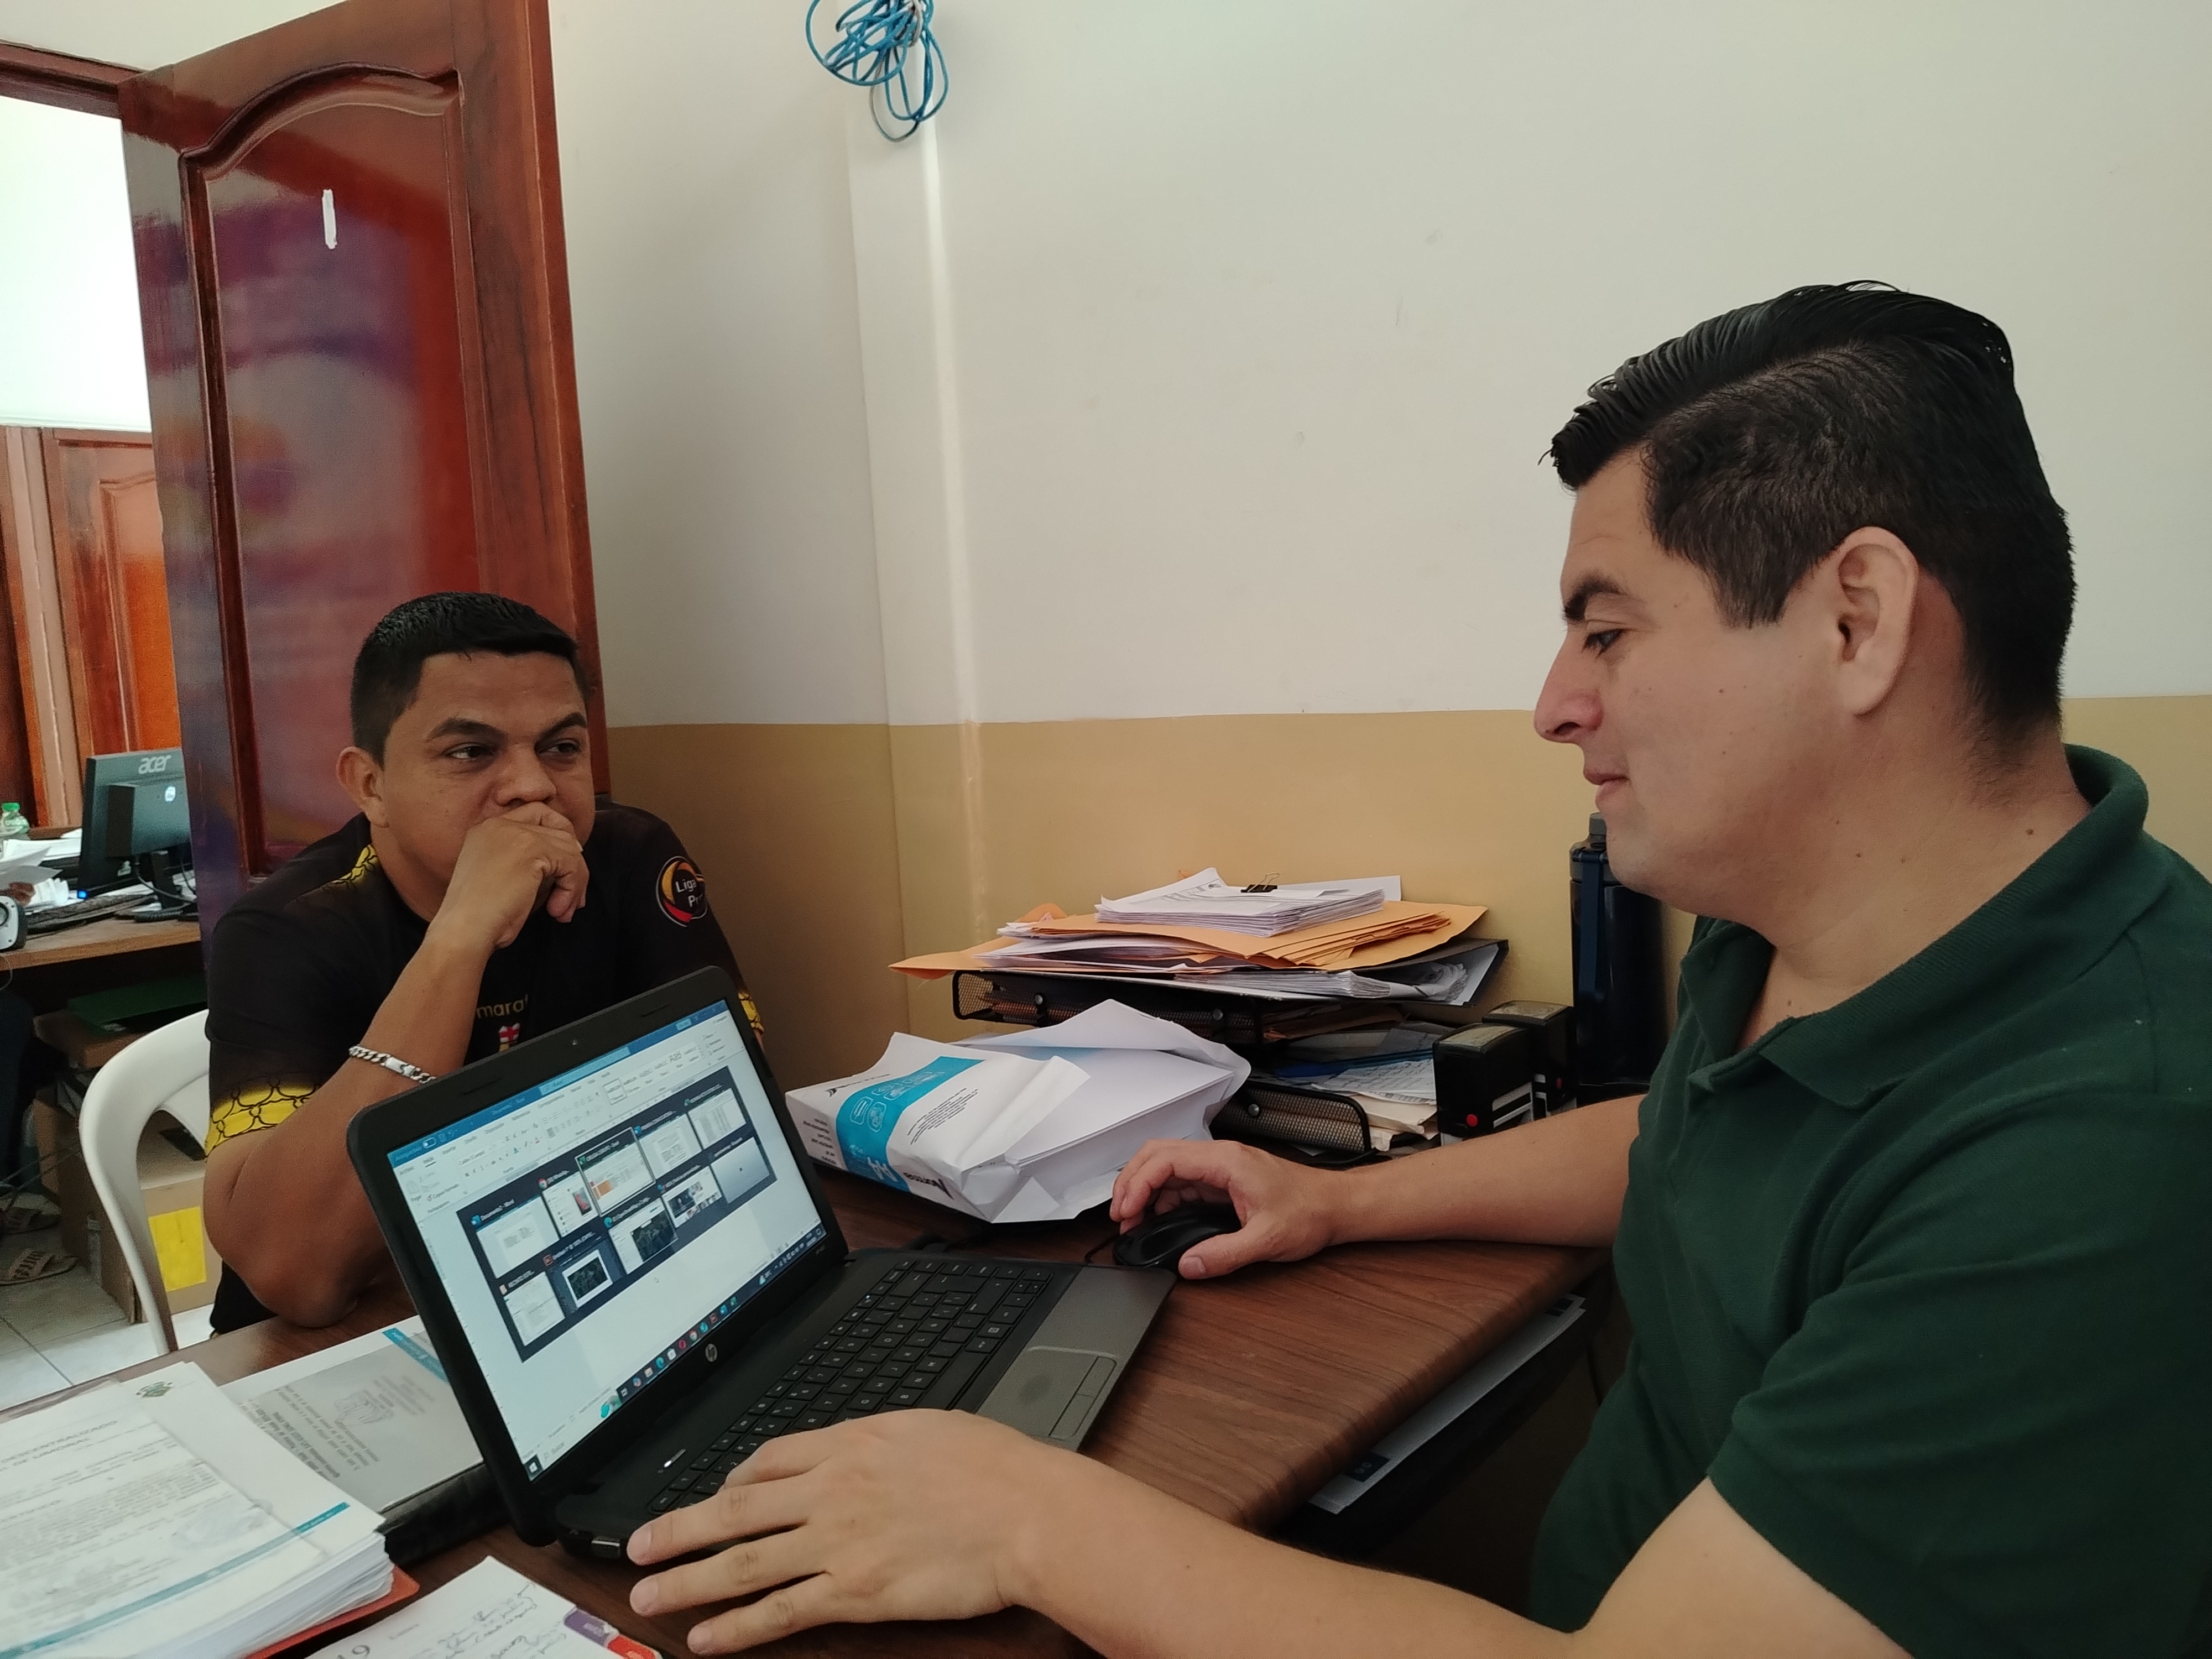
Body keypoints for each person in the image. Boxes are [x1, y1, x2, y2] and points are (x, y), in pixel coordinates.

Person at [620, 283, 2212, 1657]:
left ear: (1855, 621)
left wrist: (1027, 1518)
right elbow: (1695, 1139)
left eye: (1606, 629)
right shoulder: (1808, 910)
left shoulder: (2102, 1152)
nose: (1554, 704)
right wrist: (1342, 1202)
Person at [203, 592, 757, 1332]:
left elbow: (726, 1112)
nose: (534, 786)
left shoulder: (630, 857)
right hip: (346, 1337)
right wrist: (459, 939)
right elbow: (296, 1277)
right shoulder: (288, 927)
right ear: (371, 785)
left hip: (573, 1274)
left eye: (562, 748)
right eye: (471, 752)